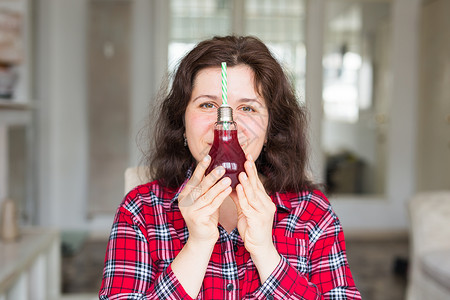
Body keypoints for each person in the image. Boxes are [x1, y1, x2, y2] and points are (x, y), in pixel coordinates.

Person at [99, 35, 361, 299]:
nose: (228, 126)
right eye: (208, 105)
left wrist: (265, 253)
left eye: (247, 108)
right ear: (182, 123)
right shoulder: (140, 212)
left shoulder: (312, 213)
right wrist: (197, 246)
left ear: (270, 128)